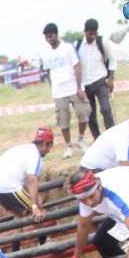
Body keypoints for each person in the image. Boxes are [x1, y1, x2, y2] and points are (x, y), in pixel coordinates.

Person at [0, 128, 53, 224]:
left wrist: (34, 202)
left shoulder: (25, 149)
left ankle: (17, 238)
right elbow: (32, 181)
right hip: (6, 184)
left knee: (19, 214)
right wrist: (34, 206)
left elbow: (24, 183)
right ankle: (44, 239)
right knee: (35, 213)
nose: (49, 151)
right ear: (45, 144)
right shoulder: (35, 155)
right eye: (50, 147)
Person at [40, 23, 88, 158]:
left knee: (83, 112)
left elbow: (77, 66)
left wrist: (79, 87)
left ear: (56, 34)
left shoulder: (68, 48)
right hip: (59, 91)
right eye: (47, 37)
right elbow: (48, 71)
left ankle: (81, 138)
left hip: (72, 86)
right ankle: (68, 146)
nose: (49, 39)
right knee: (63, 119)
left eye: (51, 36)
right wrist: (52, 88)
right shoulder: (45, 53)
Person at [77, 19, 116, 139]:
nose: (92, 36)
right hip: (86, 84)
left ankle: (112, 135)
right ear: (85, 32)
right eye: (90, 34)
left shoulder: (102, 42)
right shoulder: (77, 45)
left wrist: (110, 79)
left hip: (100, 81)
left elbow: (112, 60)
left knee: (106, 109)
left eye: (94, 33)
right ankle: (97, 138)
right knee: (90, 114)